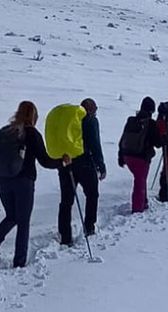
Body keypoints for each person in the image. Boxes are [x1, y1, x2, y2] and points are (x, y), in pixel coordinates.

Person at [0, 101, 68, 268]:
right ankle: (19, 262)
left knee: (11, 216)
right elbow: (45, 161)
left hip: (2, 179)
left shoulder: (5, 131)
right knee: (23, 221)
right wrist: (62, 162)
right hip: (24, 182)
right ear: (34, 116)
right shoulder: (32, 134)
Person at [58, 98, 106, 244]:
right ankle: (89, 227)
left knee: (66, 201)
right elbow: (95, 144)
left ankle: (65, 236)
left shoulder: (69, 121)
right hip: (85, 164)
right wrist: (101, 165)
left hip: (66, 163)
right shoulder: (90, 121)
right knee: (92, 195)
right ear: (91, 109)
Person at [117, 97, 162, 213]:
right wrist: (164, 139)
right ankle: (137, 208)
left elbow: (123, 138)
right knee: (140, 181)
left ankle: (144, 202)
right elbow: (158, 143)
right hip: (141, 157)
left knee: (140, 180)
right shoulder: (151, 123)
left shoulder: (131, 120)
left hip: (127, 155)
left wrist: (121, 156)